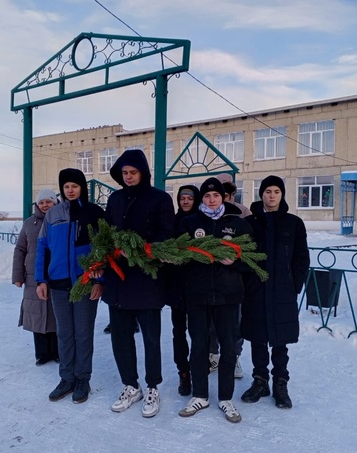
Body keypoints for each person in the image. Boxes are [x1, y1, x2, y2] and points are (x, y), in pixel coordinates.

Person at [100, 149, 175, 418]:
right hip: (118, 279)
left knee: (151, 338)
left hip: (146, 279)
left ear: (143, 172)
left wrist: (140, 248)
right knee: (120, 337)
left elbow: (167, 233)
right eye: (125, 173)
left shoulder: (160, 198)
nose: (129, 177)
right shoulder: (115, 198)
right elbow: (106, 231)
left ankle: (153, 386)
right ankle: (130, 385)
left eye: (133, 172)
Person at [177, 177, 252, 424]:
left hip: (228, 295)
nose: (211, 200)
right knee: (199, 345)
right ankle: (200, 394)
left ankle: (225, 397)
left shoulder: (236, 225)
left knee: (229, 347)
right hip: (197, 296)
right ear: (202, 199)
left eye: (216, 196)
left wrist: (236, 262)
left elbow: (253, 258)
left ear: (223, 198)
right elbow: (178, 256)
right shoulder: (189, 224)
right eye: (207, 196)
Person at [35, 169, 105, 404]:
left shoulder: (93, 213)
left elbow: (104, 250)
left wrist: (99, 281)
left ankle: (83, 378)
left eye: (75, 185)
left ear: (82, 187)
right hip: (58, 284)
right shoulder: (53, 214)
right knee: (64, 334)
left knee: (83, 334)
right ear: (62, 189)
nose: (70, 190)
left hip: (85, 284)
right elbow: (42, 248)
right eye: (66, 187)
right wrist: (41, 280)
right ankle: (67, 378)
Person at [240, 175, 310, 409]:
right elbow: (243, 255)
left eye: (276, 191)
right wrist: (247, 283)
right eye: (268, 191)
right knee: (257, 337)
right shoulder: (251, 223)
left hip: (282, 291)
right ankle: (260, 380)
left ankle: (281, 382)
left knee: (281, 339)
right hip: (256, 290)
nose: (272, 195)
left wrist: (294, 285)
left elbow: (301, 258)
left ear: (282, 194)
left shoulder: (293, 223)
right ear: (261, 194)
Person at [12, 189, 59, 366]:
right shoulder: (29, 223)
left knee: (55, 313)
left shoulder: (60, 220)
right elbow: (20, 250)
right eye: (42, 202)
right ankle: (42, 353)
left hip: (55, 273)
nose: (45, 205)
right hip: (33, 276)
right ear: (37, 205)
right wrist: (17, 275)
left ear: (55, 203)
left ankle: (57, 352)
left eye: (49, 202)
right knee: (36, 314)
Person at [209, 173, 249, 378]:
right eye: (217, 192)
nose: (221, 197)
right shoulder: (208, 213)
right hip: (212, 278)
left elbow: (250, 245)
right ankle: (213, 355)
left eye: (225, 192)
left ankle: (235, 358)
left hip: (234, 279)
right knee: (212, 322)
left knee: (235, 322)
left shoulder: (242, 212)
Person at [166, 184, 201, 396]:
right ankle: (184, 372)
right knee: (178, 332)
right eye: (182, 198)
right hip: (177, 287)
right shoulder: (173, 222)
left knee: (198, 332)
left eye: (189, 198)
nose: (185, 201)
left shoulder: (201, 223)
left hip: (197, 287)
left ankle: (198, 370)